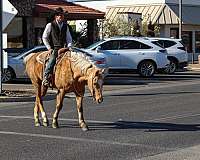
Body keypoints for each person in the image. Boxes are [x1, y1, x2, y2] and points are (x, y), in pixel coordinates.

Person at [42, 7, 72, 86]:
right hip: (54, 49)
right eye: (59, 15)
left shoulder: (66, 26)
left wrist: (69, 46)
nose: (61, 16)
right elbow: (44, 37)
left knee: (74, 59)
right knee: (52, 60)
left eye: (62, 15)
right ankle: (45, 77)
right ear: (56, 16)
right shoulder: (50, 25)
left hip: (64, 48)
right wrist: (49, 48)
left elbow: (69, 38)